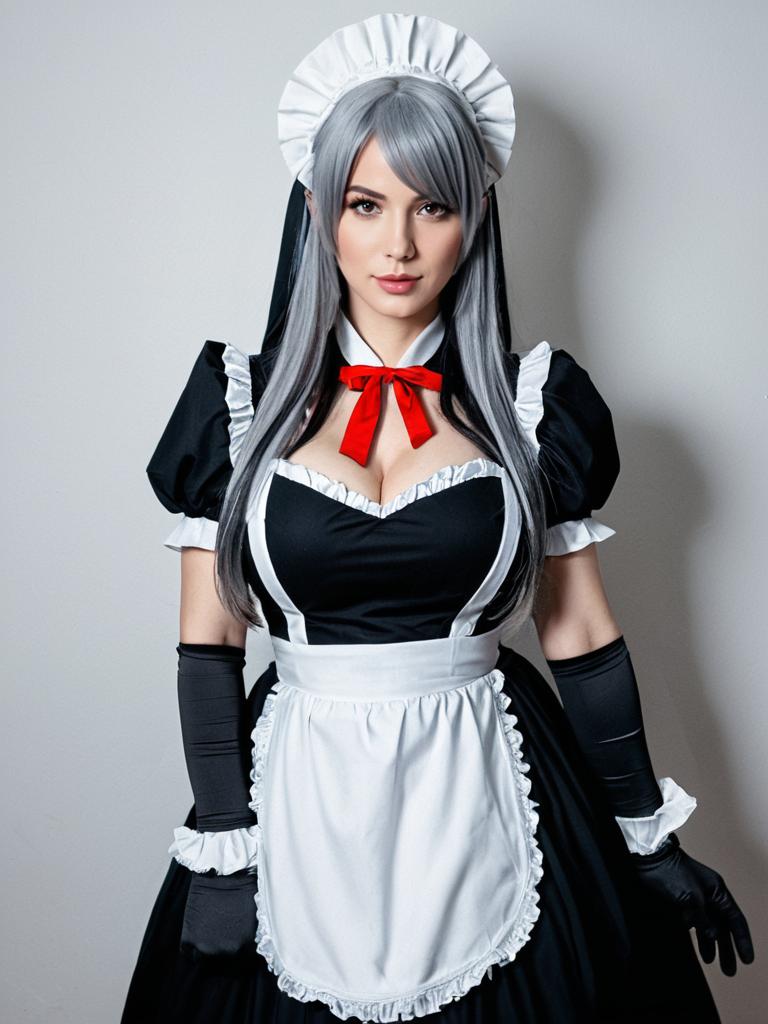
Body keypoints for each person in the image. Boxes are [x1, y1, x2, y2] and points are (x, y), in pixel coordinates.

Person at [121, 13, 753, 1024]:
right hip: (297, 800)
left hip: (492, 770)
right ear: (320, 211)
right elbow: (207, 648)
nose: (399, 245)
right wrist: (225, 845)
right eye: (366, 204)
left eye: (434, 206)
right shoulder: (233, 407)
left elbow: (582, 636)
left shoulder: (538, 407)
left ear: (478, 218)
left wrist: (646, 831)